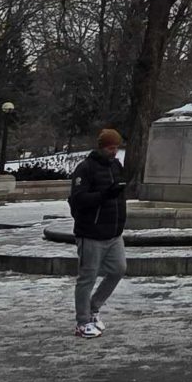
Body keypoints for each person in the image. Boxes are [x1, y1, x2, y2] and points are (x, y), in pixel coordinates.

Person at [69, 128, 129, 339]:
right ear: (102, 147)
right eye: (111, 147)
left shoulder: (116, 166)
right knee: (87, 277)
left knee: (118, 269)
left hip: (113, 233)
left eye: (117, 147)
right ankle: (82, 321)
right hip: (91, 233)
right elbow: (78, 199)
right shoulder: (85, 168)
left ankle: (93, 307)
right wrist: (104, 195)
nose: (114, 151)